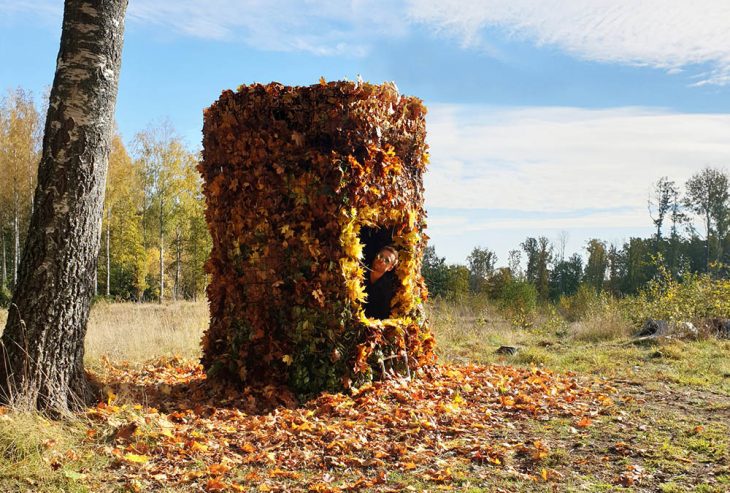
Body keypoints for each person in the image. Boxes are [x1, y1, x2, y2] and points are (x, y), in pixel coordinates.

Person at [363, 245, 399, 319]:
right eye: (380, 256)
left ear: (390, 268)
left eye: (386, 260)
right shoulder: (360, 271)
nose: (381, 260)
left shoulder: (387, 290)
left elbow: (382, 316)